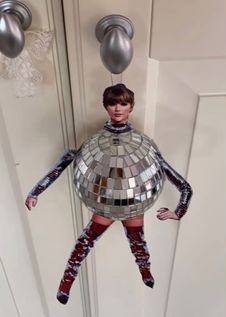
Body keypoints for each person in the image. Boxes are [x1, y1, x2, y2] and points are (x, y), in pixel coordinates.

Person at [25, 84, 193, 305]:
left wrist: (178, 212)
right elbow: (66, 161)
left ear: (131, 107)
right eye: (113, 103)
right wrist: (35, 192)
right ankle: (66, 283)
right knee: (84, 242)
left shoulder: (145, 145)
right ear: (106, 106)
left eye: (123, 103)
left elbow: (185, 186)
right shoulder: (94, 143)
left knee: (138, 243)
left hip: (134, 202)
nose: (118, 108)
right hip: (104, 201)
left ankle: (146, 272)